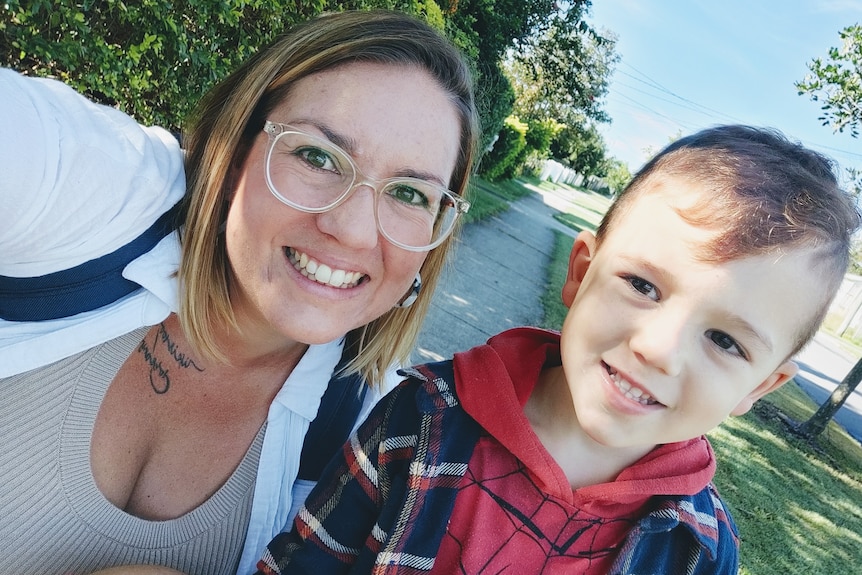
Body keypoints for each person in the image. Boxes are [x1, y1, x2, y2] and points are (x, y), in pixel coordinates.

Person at [256, 125, 861, 575]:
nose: (658, 350)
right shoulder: (420, 419)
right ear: (581, 273)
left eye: (725, 340)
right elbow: (308, 560)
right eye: (643, 286)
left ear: (758, 388)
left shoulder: (698, 549)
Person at [0, 9, 478, 575]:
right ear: (232, 156)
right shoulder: (103, 200)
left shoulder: (365, 434)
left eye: (408, 194)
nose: (351, 229)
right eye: (317, 156)